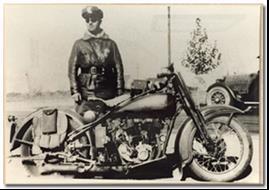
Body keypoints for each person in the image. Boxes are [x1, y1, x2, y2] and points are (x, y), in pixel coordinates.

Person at [68, 6, 124, 119]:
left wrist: (119, 90)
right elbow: (72, 70)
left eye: (93, 19)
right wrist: (75, 91)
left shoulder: (111, 44)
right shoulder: (79, 44)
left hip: (107, 91)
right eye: (87, 20)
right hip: (86, 92)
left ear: (100, 21)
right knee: (86, 119)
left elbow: (119, 68)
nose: (90, 22)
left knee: (110, 120)